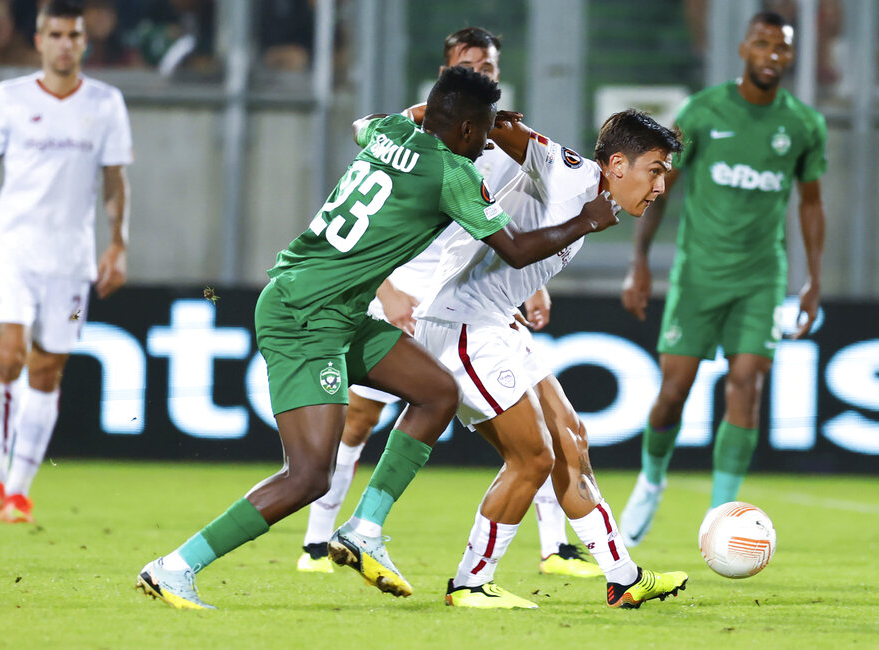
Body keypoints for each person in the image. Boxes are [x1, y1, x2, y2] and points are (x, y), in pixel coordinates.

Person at [135, 65, 620, 610]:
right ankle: (175, 567)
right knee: (309, 476)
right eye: (483, 130)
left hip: (339, 307)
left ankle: (365, 528)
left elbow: (367, 125)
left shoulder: (389, 132)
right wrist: (588, 220)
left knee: (438, 391)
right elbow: (516, 249)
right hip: (307, 314)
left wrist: (445, 111)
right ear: (463, 130)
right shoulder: (452, 173)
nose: (489, 141)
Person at [295, 26, 601, 582]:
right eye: (470, 64)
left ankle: (556, 546)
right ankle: (320, 539)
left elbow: (520, 222)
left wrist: (531, 281)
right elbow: (371, 178)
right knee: (363, 416)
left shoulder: (498, 143)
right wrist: (385, 286)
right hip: (401, 281)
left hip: (461, 290)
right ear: (446, 74)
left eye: (490, 65)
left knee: (539, 419)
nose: (484, 71)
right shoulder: (422, 133)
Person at [407, 106, 688, 609]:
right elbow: (489, 124)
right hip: (461, 322)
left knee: (571, 439)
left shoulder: (599, 200)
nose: (661, 186)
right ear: (618, 164)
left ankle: (623, 576)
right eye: (656, 170)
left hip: (496, 320)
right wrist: (468, 114)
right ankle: (471, 583)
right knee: (533, 456)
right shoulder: (568, 169)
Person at [618, 10, 827, 547]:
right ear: (743, 50)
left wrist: (814, 279)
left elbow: (810, 204)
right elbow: (661, 187)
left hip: (760, 276)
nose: (772, 56)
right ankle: (652, 479)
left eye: (782, 47)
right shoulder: (705, 112)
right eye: (762, 45)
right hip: (700, 275)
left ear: (791, 55)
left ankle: (721, 517)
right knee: (674, 392)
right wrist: (640, 261)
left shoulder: (803, 124)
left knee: (747, 385)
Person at [0, 0, 133, 524]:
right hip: (11, 249)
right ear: (38, 40)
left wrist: (117, 243)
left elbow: (114, 181)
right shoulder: (9, 98)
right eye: (56, 34)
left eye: (74, 35)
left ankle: (18, 491)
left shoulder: (106, 103)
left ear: (84, 42)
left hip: (70, 259)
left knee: (47, 370)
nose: (66, 44)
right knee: (11, 355)